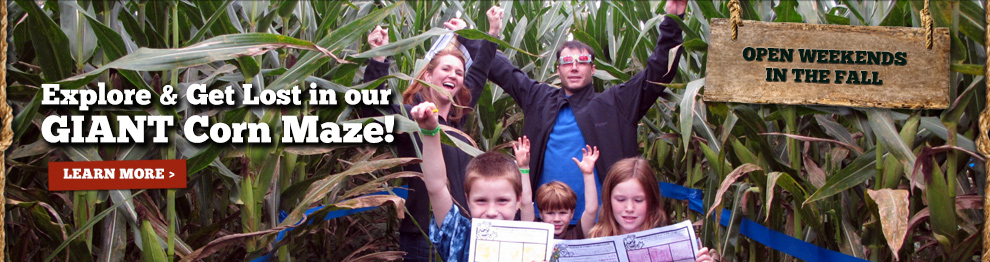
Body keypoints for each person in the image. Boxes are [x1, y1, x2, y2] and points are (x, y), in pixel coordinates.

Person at [479, 0, 688, 225]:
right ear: (558, 69)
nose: (575, 67)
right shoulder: (538, 99)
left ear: (593, 68)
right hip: (544, 223)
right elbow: (502, 70)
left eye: (583, 61)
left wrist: (673, 21)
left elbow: (658, 73)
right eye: (567, 62)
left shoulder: (616, 103)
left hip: (601, 226)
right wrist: (465, 36)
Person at [361, 8, 503, 261]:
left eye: (459, 72)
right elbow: (372, 110)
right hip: (422, 235)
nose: (454, 76)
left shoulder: (458, 122)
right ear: (428, 75)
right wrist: (378, 58)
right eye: (446, 69)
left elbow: (480, 72)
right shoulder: (412, 116)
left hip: (460, 232)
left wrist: (492, 33)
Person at [409, 101, 526, 262]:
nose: (491, 212)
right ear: (468, 200)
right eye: (481, 200)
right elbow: (437, 187)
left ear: (518, 199)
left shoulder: (530, 243)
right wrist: (430, 132)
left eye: (502, 200)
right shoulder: (460, 237)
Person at [587, 158, 714, 261]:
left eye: (638, 200)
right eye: (620, 199)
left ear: (651, 201)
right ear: (608, 200)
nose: (629, 208)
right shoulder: (595, 240)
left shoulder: (675, 244)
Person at [528, 145, 600, 240]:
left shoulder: (578, 234)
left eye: (562, 213)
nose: (557, 219)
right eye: (550, 213)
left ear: (572, 213)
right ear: (540, 213)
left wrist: (588, 174)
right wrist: (523, 167)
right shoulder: (534, 233)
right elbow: (526, 203)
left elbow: (591, 210)